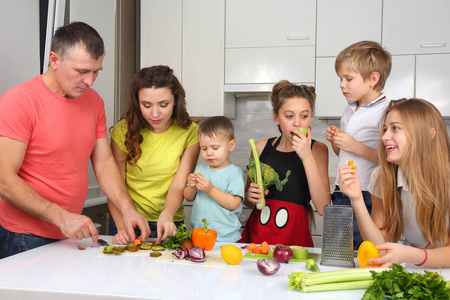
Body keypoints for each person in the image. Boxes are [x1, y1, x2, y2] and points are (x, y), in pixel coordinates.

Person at [0, 22, 149, 258]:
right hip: (25, 236)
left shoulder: (94, 101)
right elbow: (4, 179)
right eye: (81, 71)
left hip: (70, 233)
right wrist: (61, 217)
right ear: (54, 60)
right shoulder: (19, 101)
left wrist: (127, 209)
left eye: (96, 71)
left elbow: (104, 164)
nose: (90, 81)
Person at [339, 98, 450, 268]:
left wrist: (412, 254)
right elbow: (380, 248)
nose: (384, 137)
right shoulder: (382, 176)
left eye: (395, 128)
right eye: (385, 129)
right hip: (417, 269)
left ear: (428, 135)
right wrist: (357, 200)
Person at [108, 65, 200, 245]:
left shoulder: (190, 132)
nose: (155, 114)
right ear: (137, 102)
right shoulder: (122, 131)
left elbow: (178, 185)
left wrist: (166, 215)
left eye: (163, 105)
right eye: (146, 105)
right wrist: (121, 228)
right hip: (127, 221)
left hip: (170, 221)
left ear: (175, 100)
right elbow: (114, 186)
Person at [240, 80, 330, 247]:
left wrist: (306, 156)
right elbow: (247, 199)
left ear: (311, 117)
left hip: (295, 236)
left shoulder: (318, 150)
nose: (297, 123)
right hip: (258, 234)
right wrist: (250, 197)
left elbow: (323, 207)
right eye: (289, 116)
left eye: (304, 116)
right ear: (276, 118)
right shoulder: (259, 148)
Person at [325, 40, 392, 250]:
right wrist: (336, 142)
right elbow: (343, 153)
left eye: (348, 79)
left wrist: (355, 146)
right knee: (339, 249)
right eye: (340, 79)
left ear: (373, 79)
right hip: (341, 189)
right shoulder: (349, 109)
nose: (341, 84)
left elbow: (388, 158)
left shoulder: (386, 112)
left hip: (366, 192)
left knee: (363, 249)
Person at [183, 116, 245, 242]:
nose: (209, 153)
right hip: (199, 236)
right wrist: (191, 186)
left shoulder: (235, 173)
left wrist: (210, 189)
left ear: (231, 145)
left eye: (215, 148)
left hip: (227, 239)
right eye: (204, 148)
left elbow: (234, 203)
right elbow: (188, 197)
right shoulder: (201, 169)